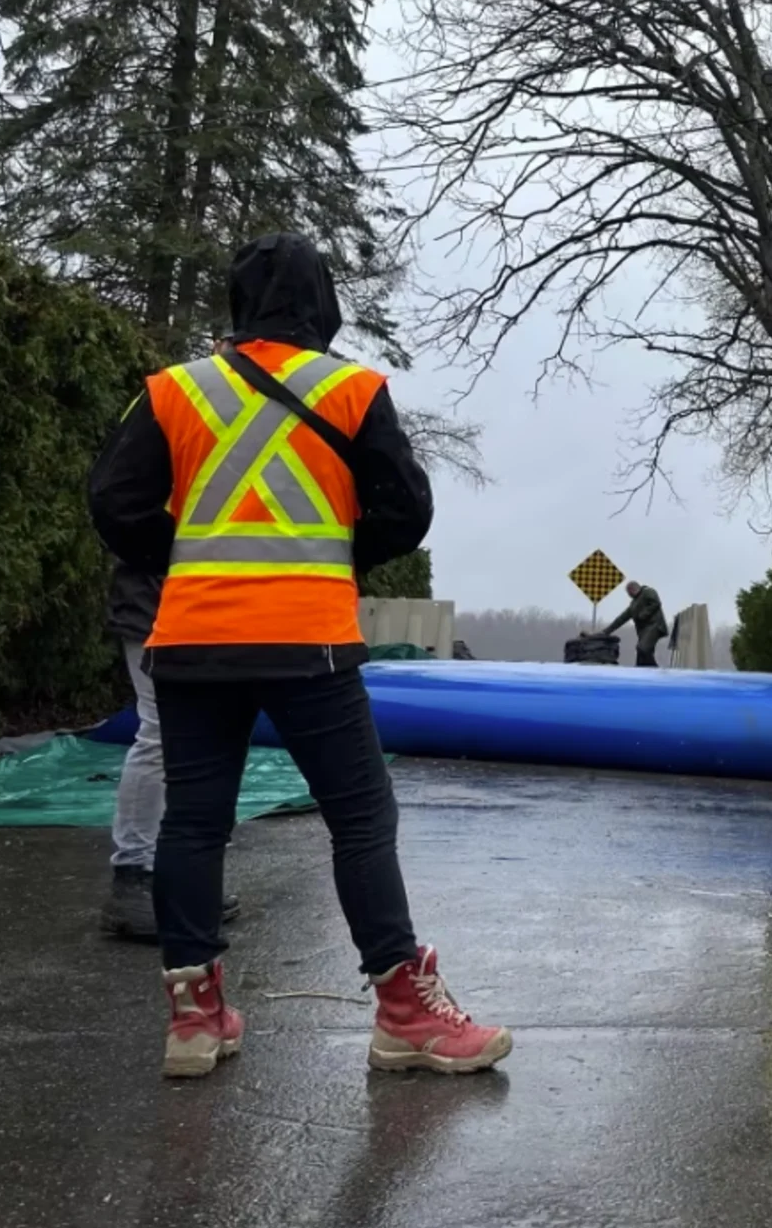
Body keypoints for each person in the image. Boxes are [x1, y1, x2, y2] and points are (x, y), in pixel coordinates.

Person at [88, 231, 510, 1080]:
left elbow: (114, 502)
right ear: (324, 303)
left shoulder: (174, 392)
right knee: (359, 818)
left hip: (195, 639)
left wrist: (184, 557)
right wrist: (339, 556)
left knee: (196, 821)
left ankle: (195, 1021)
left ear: (238, 305)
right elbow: (405, 509)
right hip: (308, 639)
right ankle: (403, 1014)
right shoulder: (352, 389)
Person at [97, 560, 241, 940]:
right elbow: (126, 517)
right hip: (158, 604)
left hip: (198, 607)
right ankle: (132, 876)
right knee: (161, 733)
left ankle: (177, 880)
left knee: (201, 737)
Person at [602, 580, 668, 667]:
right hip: (644, 630)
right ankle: (640, 669)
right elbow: (621, 619)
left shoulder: (648, 591)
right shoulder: (634, 604)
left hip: (654, 626)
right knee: (642, 653)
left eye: (628, 592)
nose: (629, 595)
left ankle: (654, 669)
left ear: (632, 590)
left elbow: (656, 603)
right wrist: (606, 631)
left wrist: (643, 614)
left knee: (643, 648)